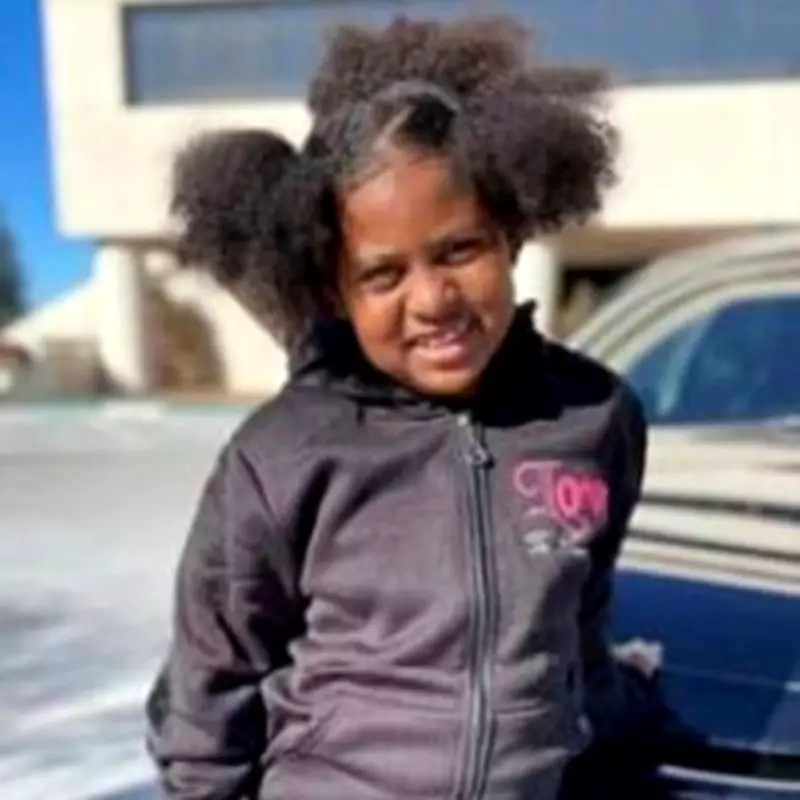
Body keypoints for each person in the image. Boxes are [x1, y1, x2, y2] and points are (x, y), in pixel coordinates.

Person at [145, 15, 666, 800]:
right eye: (383, 275)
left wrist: (620, 715)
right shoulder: (282, 455)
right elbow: (208, 689)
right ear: (334, 288)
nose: (432, 299)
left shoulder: (595, 418)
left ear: (510, 232)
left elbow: (578, 622)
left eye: (460, 250)